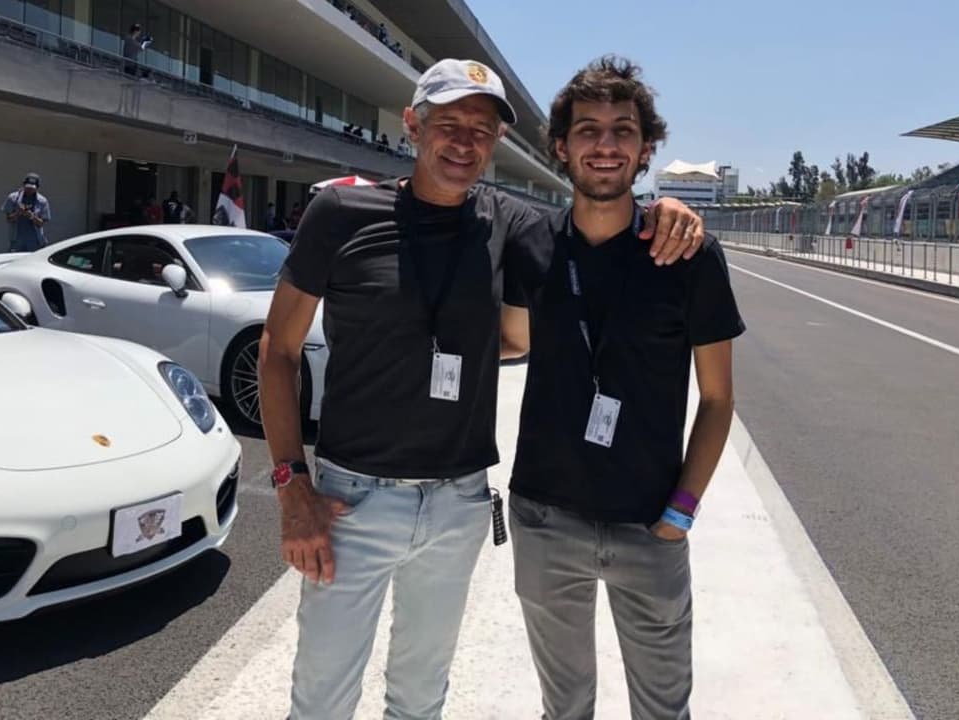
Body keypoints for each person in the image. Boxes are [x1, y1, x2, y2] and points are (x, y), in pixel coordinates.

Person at [258, 57, 703, 720]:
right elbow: (278, 349)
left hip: (459, 502)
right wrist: (292, 485)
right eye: (449, 124)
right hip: (350, 499)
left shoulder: (508, 222)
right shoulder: (341, 212)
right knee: (320, 697)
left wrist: (666, 208)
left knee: (420, 697)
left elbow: (591, 221)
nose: (465, 142)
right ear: (413, 125)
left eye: (482, 130)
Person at [500, 56, 745, 720]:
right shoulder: (530, 244)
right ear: (560, 146)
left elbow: (718, 399)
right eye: (588, 130)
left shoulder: (689, 255)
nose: (604, 146)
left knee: (664, 711)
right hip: (546, 519)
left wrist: (682, 512)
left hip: (649, 524)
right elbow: (510, 341)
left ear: (644, 150)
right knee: (565, 709)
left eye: (621, 131)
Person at [1, 173, 51, 252]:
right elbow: (8, 219)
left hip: (35, 241)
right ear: (23, 185)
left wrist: (31, 216)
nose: (29, 190)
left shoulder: (42, 201)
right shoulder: (13, 198)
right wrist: (18, 212)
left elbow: (41, 223)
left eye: (32, 188)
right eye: (27, 187)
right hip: (17, 240)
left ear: (37, 188)